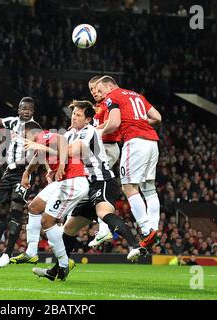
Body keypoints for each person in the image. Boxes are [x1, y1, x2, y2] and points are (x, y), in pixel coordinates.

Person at [26, 101, 146, 281]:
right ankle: (58, 269)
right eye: (73, 114)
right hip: (84, 185)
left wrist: (42, 147)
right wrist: (53, 167)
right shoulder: (69, 133)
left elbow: (72, 152)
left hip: (101, 181)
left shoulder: (89, 132)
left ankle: (136, 246)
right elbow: (62, 153)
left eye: (78, 115)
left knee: (103, 213)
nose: (74, 117)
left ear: (88, 119)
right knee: (69, 228)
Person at [13, 125, 89, 280]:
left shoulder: (42, 135)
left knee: (47, 221)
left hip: (73, 181)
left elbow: (62, 139)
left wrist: (60, 165)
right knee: (34, 207)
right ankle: (31, 252)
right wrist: (27, 172)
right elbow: (38, 157)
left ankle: (63, 264)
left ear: (30, 132)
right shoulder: (39, 144)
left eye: (23, 134)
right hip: (62, 182)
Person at [96, 76, 162, 250]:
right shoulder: (137, 96)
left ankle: (147, 230)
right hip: (152, 142)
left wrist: (95, 131)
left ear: (110, 86)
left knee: (128, 187)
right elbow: (157, 117)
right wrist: (139, 122)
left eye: (101, 91)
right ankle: (153, 228)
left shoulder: (113, 96)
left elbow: (114, 123)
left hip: (135, 142)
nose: (101, 95)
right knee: (149, 187)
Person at [0, 97, 42, 267]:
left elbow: (37, 155)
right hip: (9, 172)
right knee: (0, 210)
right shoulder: (13, 122)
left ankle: (7, 253)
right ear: (18, 109)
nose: (26, 111)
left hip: (23, 173)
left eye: (29, 108)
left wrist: (23, 169)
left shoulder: (35, 128)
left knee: (16, 210)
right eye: (23, 108)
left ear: (33, 111)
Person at [87, 75, 123, 247]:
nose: (94, 92)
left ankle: (104, 229)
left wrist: (92, 130)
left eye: (96, 88)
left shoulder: (109, 102)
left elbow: (113, 122)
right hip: (101, 148)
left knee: (100, 186)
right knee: (95, 187)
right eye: (91, 90)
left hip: (108, 147)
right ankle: (103, 227)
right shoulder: (97, 107)